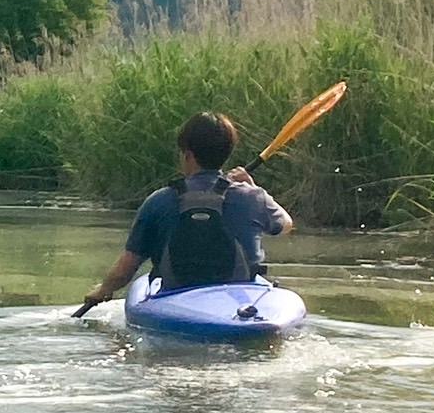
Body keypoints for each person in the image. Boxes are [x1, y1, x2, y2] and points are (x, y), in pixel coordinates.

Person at [83, 112, 292, 309]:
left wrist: (103, 290)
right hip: (239, 305)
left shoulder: (158, 202)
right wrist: (253, 187)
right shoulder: (253, 197)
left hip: (176, 301)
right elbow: (286, 225)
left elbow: (125, 270)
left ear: (188, 155)